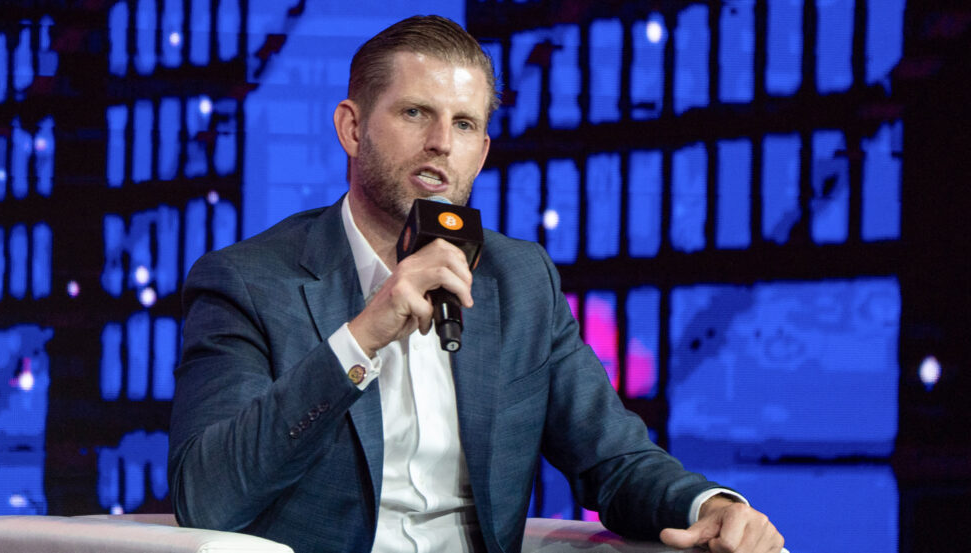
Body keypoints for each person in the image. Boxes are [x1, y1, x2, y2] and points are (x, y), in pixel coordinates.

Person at [168, 14, 786, 553]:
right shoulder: (248, 281)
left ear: (482, 151)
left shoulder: (520, 280)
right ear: (352, 129)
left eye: (465, 125)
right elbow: (209, 498)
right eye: (416, 113)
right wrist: (359, 340)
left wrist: (710, 508)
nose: (442, 142)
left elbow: (613, 458)